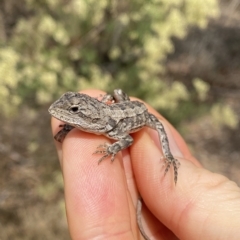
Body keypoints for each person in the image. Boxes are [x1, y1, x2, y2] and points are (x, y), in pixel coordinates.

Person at [51, 89, 240, 240]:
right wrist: (69, 125)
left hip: (138, 115)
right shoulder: (97, 121)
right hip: (113, 112)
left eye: (74, 110)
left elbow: (128, 140)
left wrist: (112, 149)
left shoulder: (111, 127)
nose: (60, 111)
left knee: (158, 126)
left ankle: (168, 155)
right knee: (115, 92)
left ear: (91, 116)